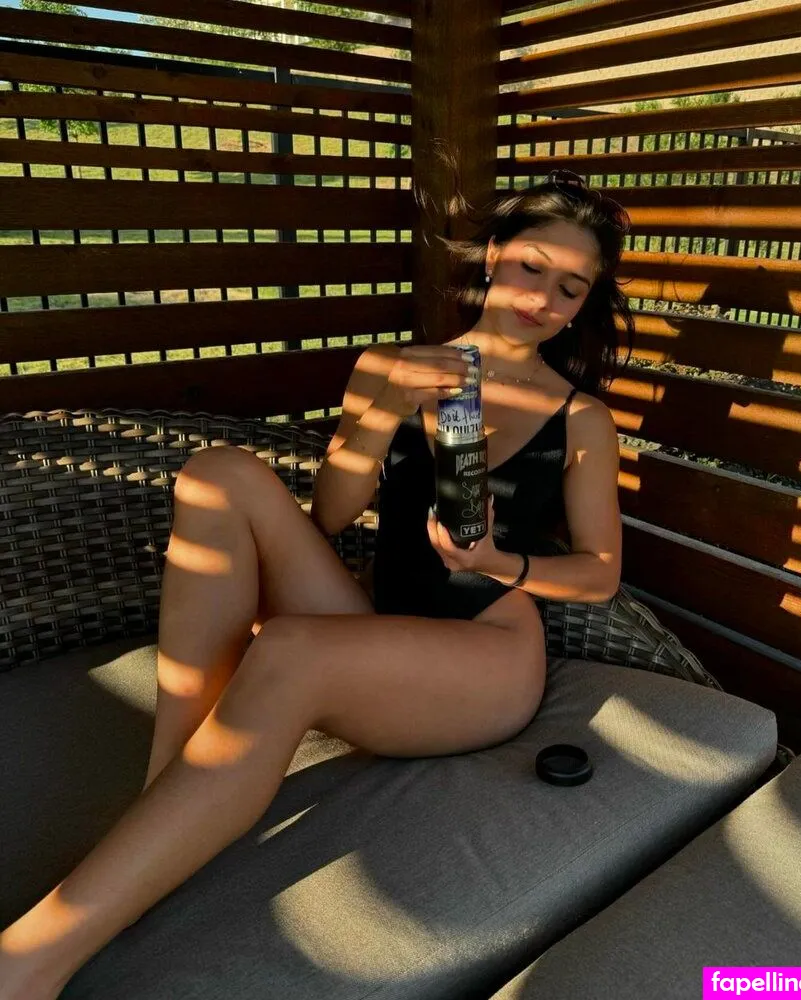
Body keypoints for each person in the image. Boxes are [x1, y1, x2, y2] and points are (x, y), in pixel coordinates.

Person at [0, 169, 634, 1000]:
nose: (541, 298)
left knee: (292, 649)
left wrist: (496, 563)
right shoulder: (392, 368)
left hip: (484, 660)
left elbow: (600, 575)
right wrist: (382, 410)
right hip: (378, 627)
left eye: (569, 289)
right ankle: (170, 799)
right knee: (218, 473)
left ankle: (27, 966)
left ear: (582, 307)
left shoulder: (580, 418)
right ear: (493, 256)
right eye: (531, 267)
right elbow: (331, 514)